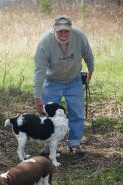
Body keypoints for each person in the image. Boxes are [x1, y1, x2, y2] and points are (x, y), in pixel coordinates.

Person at [33, 15, 94, 156]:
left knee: (77, 113)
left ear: (71, 30)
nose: (63, 35)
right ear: (54, 30)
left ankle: (74, 144)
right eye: (60, 31)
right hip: (52, 80)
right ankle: (47, 146)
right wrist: (37, 96)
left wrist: (91, 70)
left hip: (74, 79)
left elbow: (88, 55)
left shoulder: (79, 36)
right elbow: (39, 71)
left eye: (66, 31)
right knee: (47, 113)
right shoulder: (45, 42)